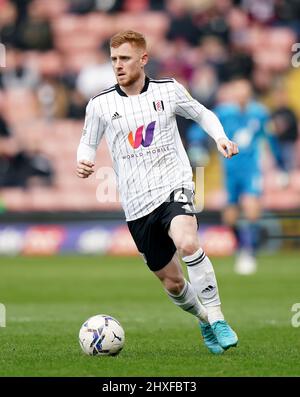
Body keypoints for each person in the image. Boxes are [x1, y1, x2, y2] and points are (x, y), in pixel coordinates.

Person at [76, 30, 239, 355]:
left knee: (188, 241)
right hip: (137, 205)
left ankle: (219, 318)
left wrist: (220, 138)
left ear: (143, 59)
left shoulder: (169, 90)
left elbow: (202, 113)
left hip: (173, 186)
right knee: (174, 283)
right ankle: (204, 318)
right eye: (113, 59)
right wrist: (85, 160)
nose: (118, 66)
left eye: (124, 58)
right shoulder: (100, 104)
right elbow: (87, 142)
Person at [214, 79, 282, 275]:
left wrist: (280, 164)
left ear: (249, 93)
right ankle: (241, 247)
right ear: (233, 94)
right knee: (230, 217)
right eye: (238, 92)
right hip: (230, 170)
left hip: (251, 169)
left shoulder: (259, 112)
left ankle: (249, 252)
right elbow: (207, 130)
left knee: (252, 208)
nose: (241, 96)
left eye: (245, 92)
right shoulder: (224, 113)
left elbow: (269, 137)